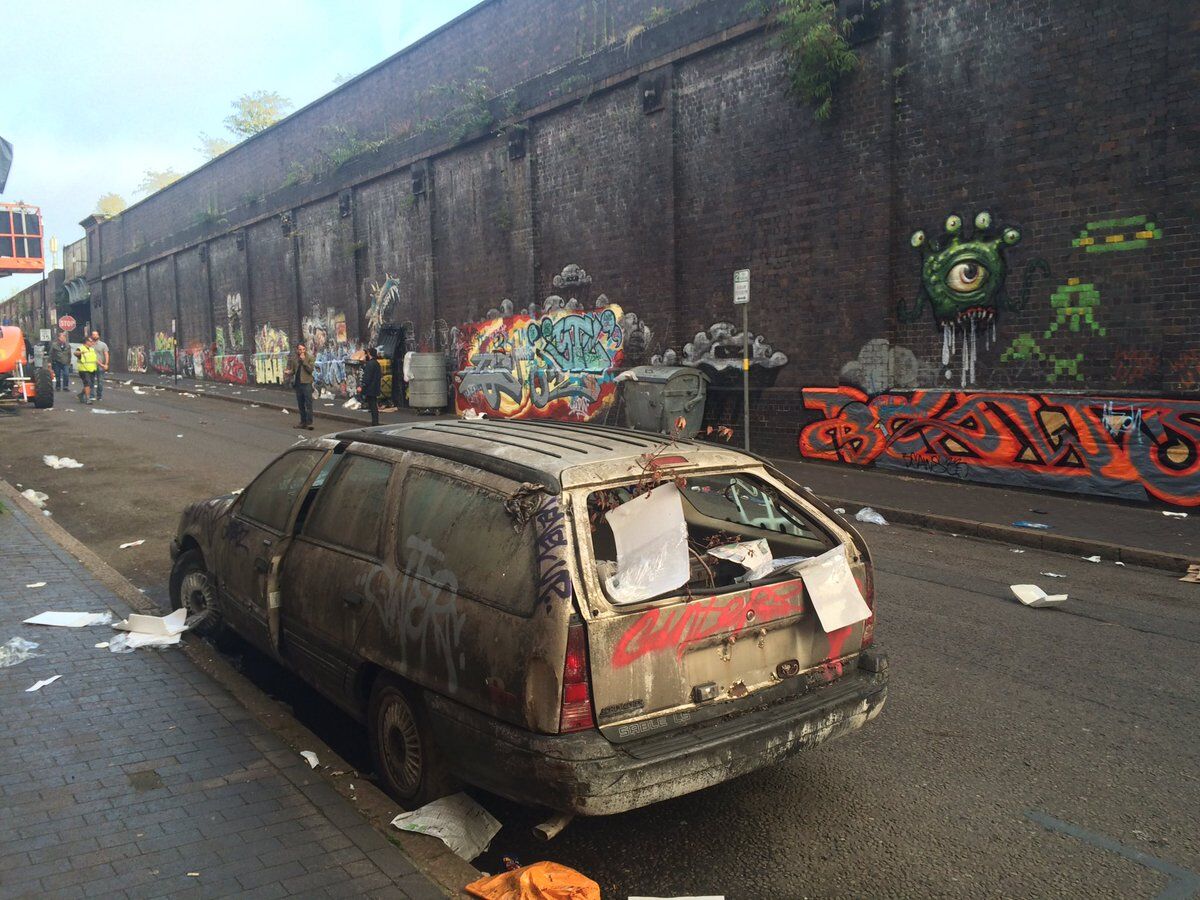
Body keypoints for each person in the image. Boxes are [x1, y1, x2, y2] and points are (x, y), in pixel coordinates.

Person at [284, 341, 315, 430]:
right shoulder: (295, 359)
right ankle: (302, 422)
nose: (302, 351)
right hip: (298, 384)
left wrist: (304, 361)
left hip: (306, 383)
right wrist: (288, 372)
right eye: (300, 349)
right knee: (300, 404)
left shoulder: (310, 358)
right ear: (297, 350)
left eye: (303, 349)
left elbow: (310, 370)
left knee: (308, 403)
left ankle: (309, 422)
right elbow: (294, 371)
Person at [75, 335, 99, 405]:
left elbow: (95, 359)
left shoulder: (92, 349)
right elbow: (75, 353)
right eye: (90, 341)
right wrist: (80, 353)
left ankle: (81, 394)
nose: (92, 342)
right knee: (87, 383)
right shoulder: (80, 348)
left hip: (92, 369)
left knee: (90, 384)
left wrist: (102, 365)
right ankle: (88, 399)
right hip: (83, 369)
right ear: (86, 342)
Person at [362, 347, 383, 426]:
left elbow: (367, 377)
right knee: (373, 405)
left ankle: (375, 423)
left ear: (369, 354)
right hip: (375, 387)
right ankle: (375, 422)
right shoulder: (377, 363)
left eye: (367, 353)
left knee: (373, 406)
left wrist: (363, 385)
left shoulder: (370, 364)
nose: (366, 355)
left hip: (370, 388)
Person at [90, 330, 110, 402]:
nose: (94, 336)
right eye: (93, 335)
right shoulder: (89, 344)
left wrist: (106, 364)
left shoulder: (103, 344)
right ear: (91, 336)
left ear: (98, 336)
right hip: (90, 366)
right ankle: (91, 395)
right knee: (91, 381)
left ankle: (99, 395)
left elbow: (106, 354)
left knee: (100, 382)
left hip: (100, 366)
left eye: (96, 335)